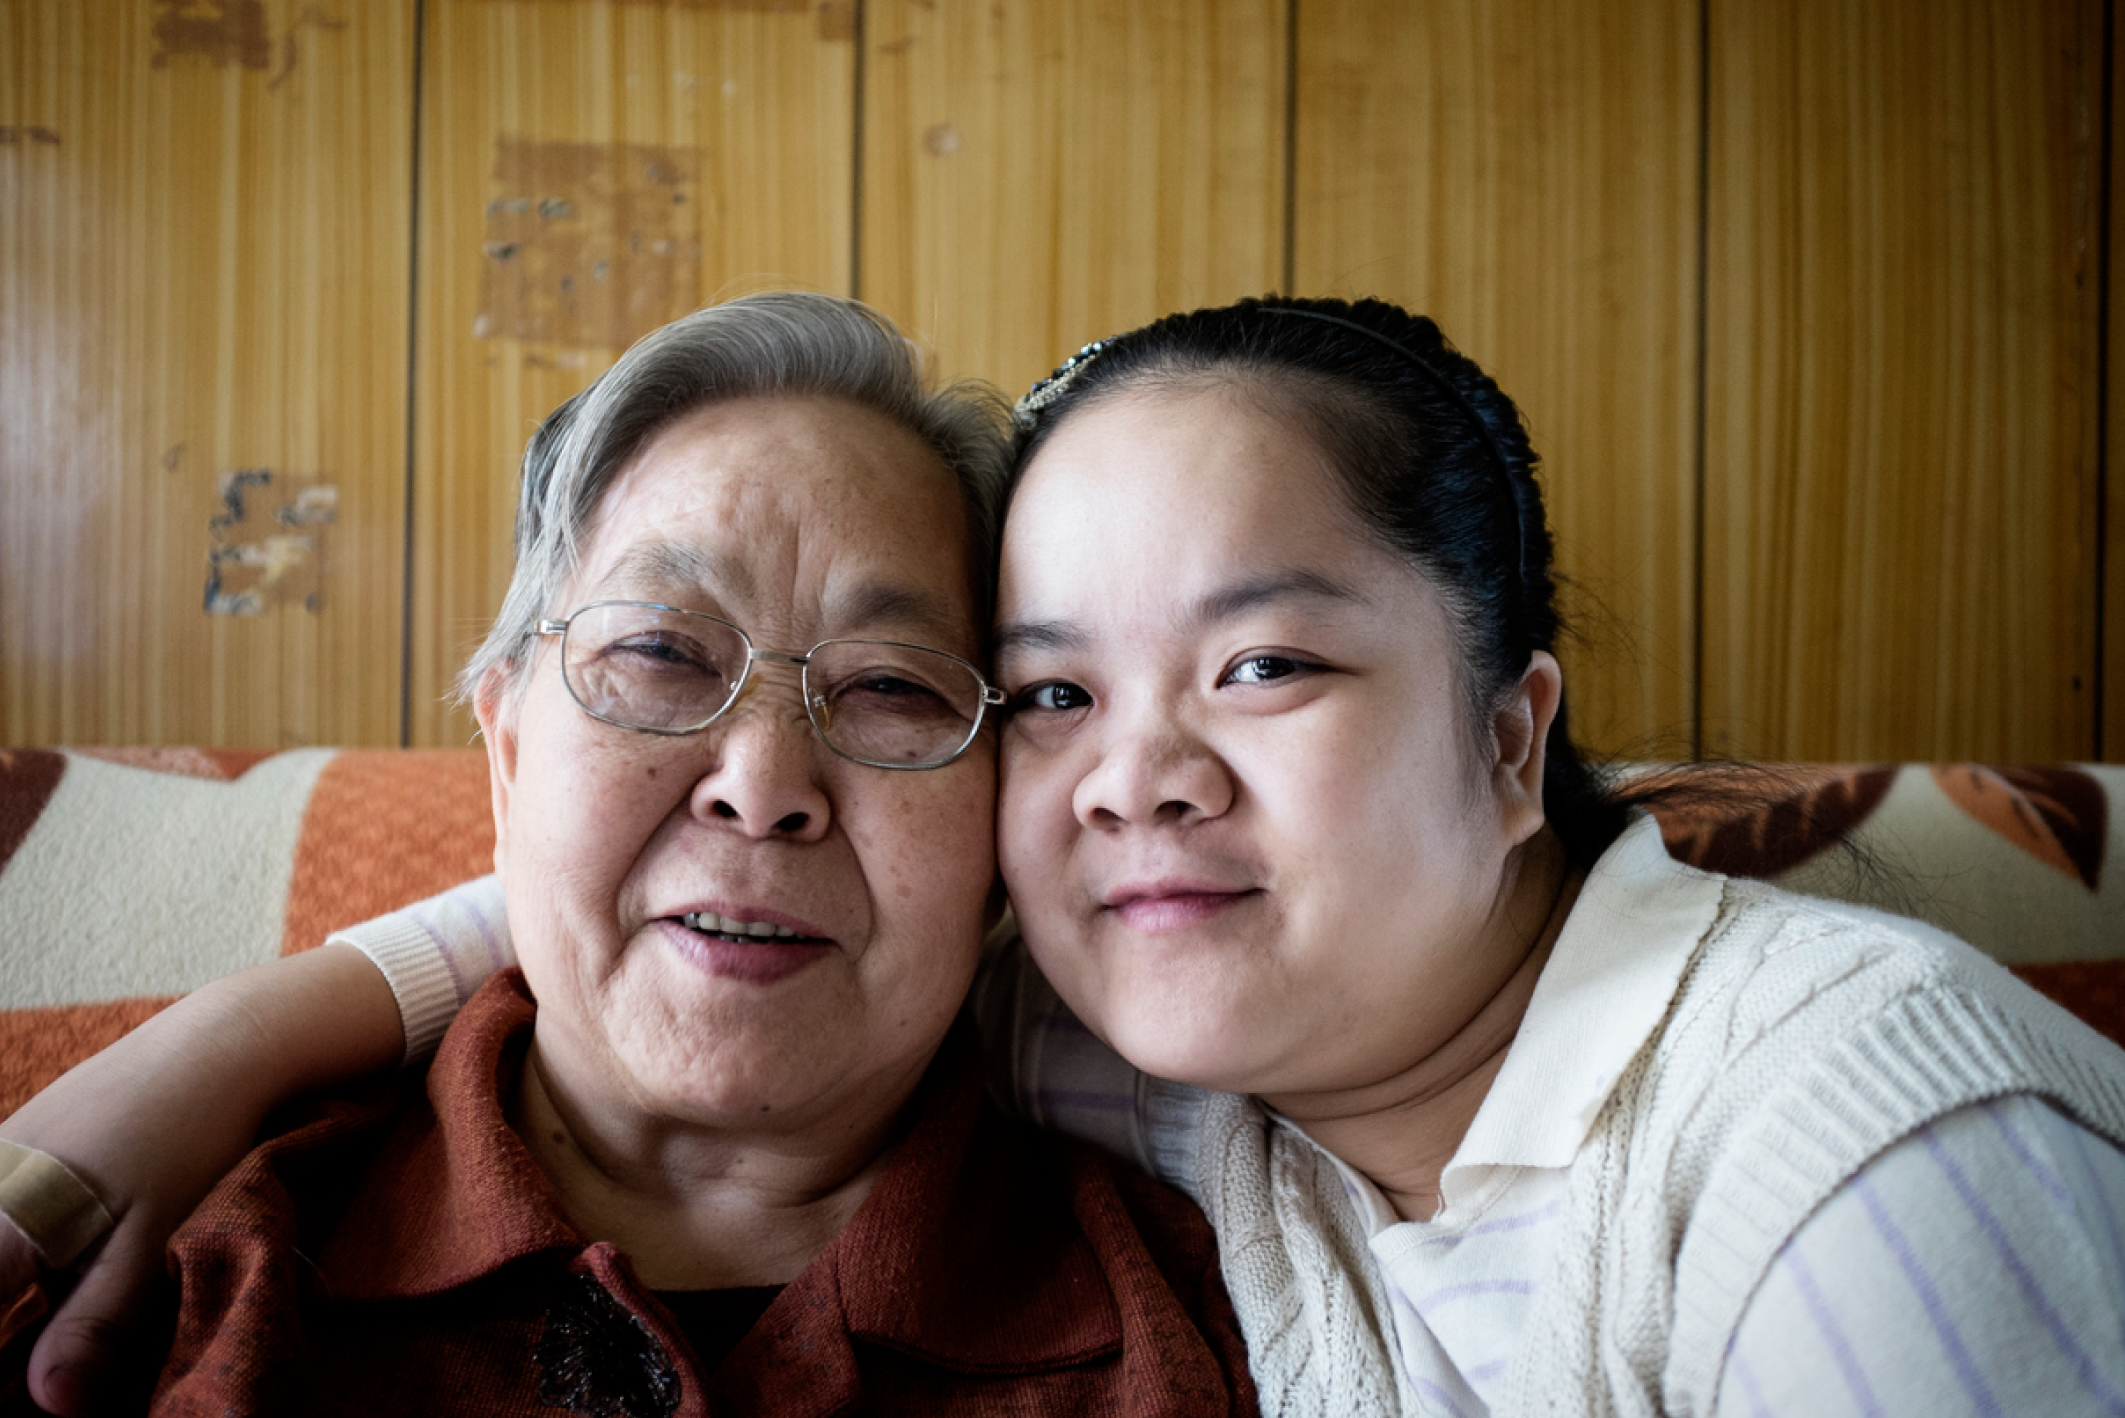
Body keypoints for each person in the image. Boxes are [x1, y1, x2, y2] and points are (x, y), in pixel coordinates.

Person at [9, 294, 2125, 1415]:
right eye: (1050, 695)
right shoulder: (1153, 1033)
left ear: (1509, 735)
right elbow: (678, 896)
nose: (1136, 779)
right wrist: (160, 1085)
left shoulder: (1850, 1131)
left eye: (1268, 661)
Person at [0, 293, 1257, 1415]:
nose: (763, 787)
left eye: (887, 686)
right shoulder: (170, 1265)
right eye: (660, 654)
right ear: (505, 752)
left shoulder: (1220, 1311)